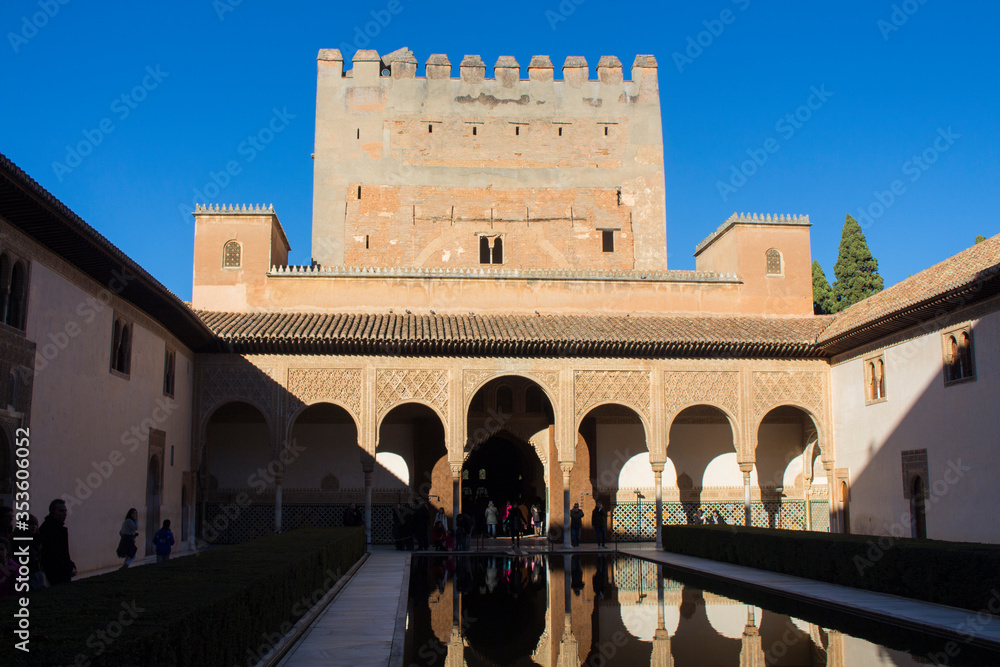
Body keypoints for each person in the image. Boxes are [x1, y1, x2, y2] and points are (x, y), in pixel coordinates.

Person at [38, 499, 75, 585]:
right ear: (53, 512)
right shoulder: (48, 530)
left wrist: (70, 565)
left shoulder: (57, 528)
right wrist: (68, 567)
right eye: (61, 511)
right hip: (55, 575)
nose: (65, 514)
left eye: (65, 511)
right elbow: (54, 554)